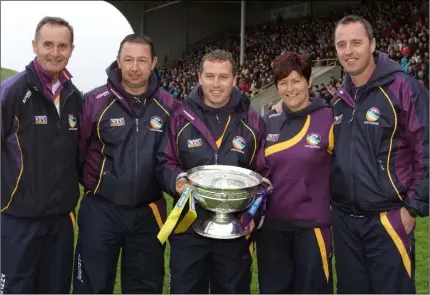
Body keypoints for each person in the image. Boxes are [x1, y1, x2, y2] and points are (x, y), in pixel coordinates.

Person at [156, 49, 268, 294]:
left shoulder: (252, 121)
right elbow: (165, 161)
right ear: (199, 77)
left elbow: (262, 174)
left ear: (235, 79)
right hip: (188, 224)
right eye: (210, 76)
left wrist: (252, 216)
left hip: (234, 229)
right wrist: (177, 180)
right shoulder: (179, 118)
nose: (216, 84)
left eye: (223, 77)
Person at [330, 15, 428, 293]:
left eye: (356, 42)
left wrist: (412, 207)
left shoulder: (404, 88)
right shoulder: (339, 99)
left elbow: (427, 147)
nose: (348, 51)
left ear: (372, 44)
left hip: (388, 221)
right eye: (342, 44)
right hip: (345, 224)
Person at [74, 34, 177, 294]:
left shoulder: (169, 106)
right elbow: (78, 152)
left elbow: (174, 155)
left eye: (141, 60)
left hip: (148, 211)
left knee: (144, 287)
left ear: (153, 62)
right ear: (118, 61)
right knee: (92, 286)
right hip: (101, 210)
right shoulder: (95, 101)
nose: (134, 67)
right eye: (128, 59)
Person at [1, 16, 81, 293]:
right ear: (35, 45)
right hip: (18, 220)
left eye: (62, 46)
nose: (55, 53)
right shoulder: (11, 91)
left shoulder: (74, 96)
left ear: (71, 49)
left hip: (60, 221)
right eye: (48, 44)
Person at [257, 52, 334, 294]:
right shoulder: (267, 121)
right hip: (271, 228)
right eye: (283, 82)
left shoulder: (330, 119)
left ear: (309, 82)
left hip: (313, 228)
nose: (290, 89)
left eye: (296, 80)